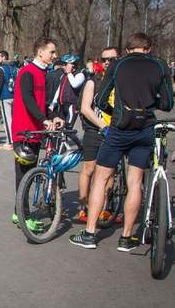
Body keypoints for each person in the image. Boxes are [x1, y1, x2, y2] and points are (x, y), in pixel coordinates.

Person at [70, 33, 173, 251]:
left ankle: (90, 233)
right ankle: (126, 237)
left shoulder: (118, 65)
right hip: (145, 127)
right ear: (149, 48)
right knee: (135, 181)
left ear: (127, 49)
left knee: (101, 177)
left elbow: (100, 99)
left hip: (120, 127)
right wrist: (149, 102)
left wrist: (114, 110)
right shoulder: (159, 65)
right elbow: (167, 103)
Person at [10, 38, 64, 228]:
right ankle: (22, 214)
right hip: (24, 132)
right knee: (23, 174)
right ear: (40, 52)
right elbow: (28, 99)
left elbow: (45, 102)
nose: (55, 56)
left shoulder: (44, 73)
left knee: (30, 172)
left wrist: (54, 116)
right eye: (52, 52)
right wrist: (44, 119)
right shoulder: (27, 72)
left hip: (36, 131)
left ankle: (19, 212)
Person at [76, 47, 119, 223]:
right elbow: (85, 109)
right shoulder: (93, 82)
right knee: (89, 170)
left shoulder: (121, 81)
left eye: (112, 59)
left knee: (109, 173)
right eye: (104, 59)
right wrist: (102, 126)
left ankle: (104, 207)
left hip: (115, 132)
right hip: (95, 131)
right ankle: (84, 206)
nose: (107, 62)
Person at [49, 54, 86, 129]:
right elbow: (59, 90)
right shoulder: (63, 75)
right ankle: (62, 141)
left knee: (68, 128)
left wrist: (69, 73)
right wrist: (53, 103)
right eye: (63, 64)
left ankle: (77, 141)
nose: (63, 67)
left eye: (65, 64)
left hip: (72, 106)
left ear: (73, 65)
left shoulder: (80, 75)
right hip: (61, 105)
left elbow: (75, 84)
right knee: (59, 127)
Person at [0, 50, 16, 150]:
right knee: (13, 120)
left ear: (3, 57)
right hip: (15, 96)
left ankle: (9, 142)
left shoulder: (1, 69)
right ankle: (14, 140)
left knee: (7, 120)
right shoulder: (14, 68)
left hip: (5, 96)